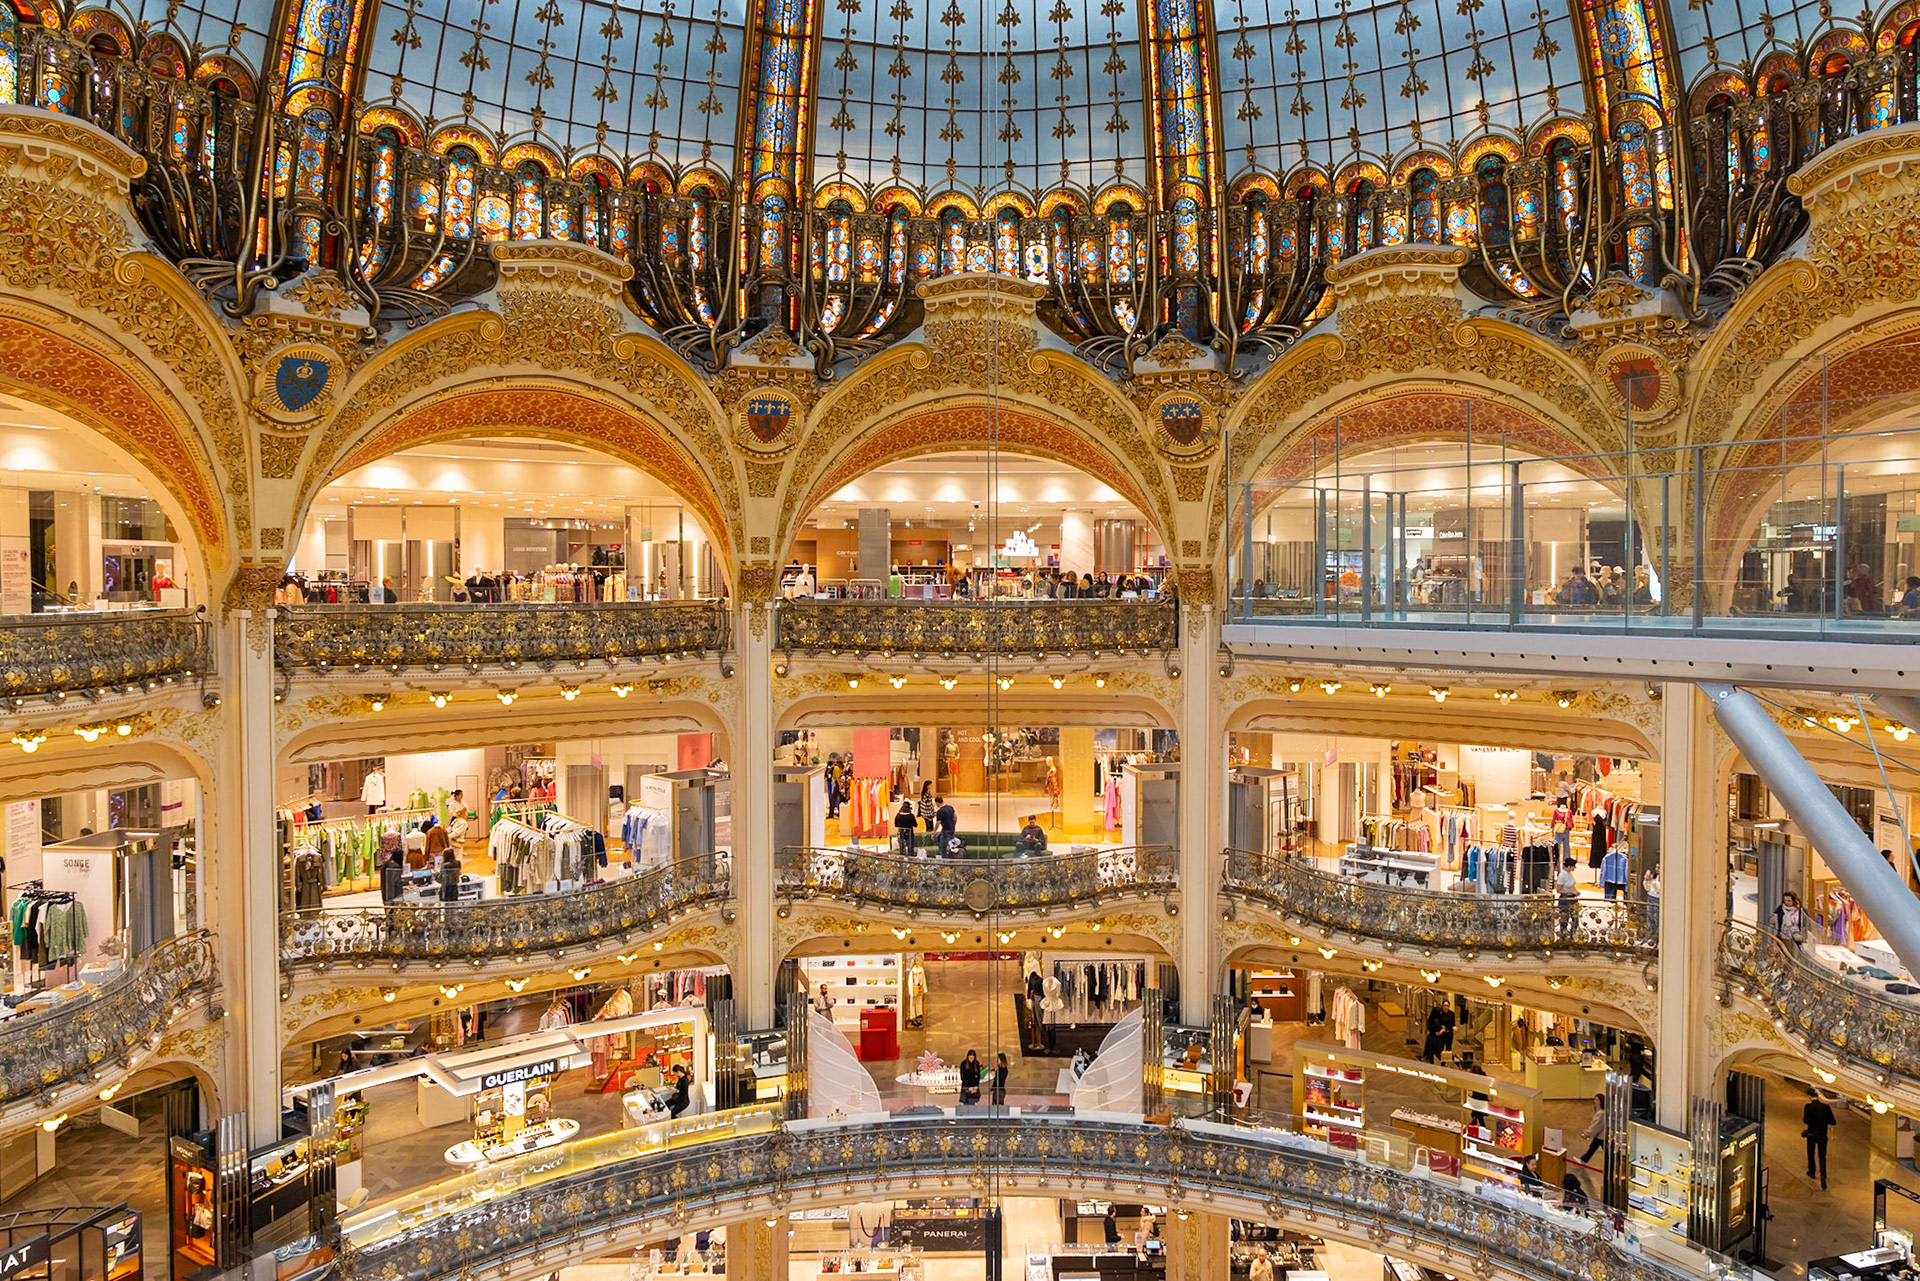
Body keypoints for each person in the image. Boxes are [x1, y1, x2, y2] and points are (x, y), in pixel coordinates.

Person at [1803, 1086, 1836, 1188]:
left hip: (1812, 1134)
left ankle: (1812, 1172)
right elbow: (1833, 1122)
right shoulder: (1826, 1107)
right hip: (1822, 1134)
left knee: (1811, 1153)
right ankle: (1823, 1174)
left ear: (1809, 1096)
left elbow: (1805, 1120)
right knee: (1822, 1156)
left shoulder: (1808, 1107)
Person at [1554, 857, 1582, 941]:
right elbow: (1558, 890)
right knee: (1564, 919)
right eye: (1574, 866)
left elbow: (1572, 885)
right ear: (1569, 866)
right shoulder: (1562, 875)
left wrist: (1575, 891)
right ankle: (1563, 936)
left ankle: (1573, 936)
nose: (1574, 868)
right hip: (1565, 899)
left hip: (1572, 899)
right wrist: (1571, 892)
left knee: (1575, 918)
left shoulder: (1570, 874)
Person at [1579, 1092, 1606, 1163]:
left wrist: (1586, 1133)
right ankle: (1583, 1160)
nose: (1595, 1101)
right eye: (1594, 1099)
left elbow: (1595, 1126)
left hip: (1602, 1136)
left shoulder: (1601, 1114)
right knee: (1592, 1148)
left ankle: (1583, 1160)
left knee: (1606, 1152)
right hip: (1599, 1136)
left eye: (1597, 1100)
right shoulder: (1599, 1111)